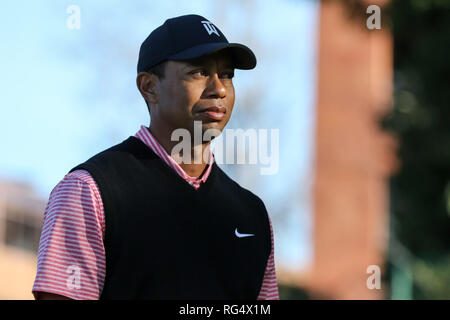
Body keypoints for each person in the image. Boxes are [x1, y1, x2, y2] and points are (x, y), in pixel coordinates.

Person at [32, 14, 278, 300]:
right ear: (149, 86)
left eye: (226, 75)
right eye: (199, 72)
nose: (219, 89)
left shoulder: (253, 215)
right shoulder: (90, 191)